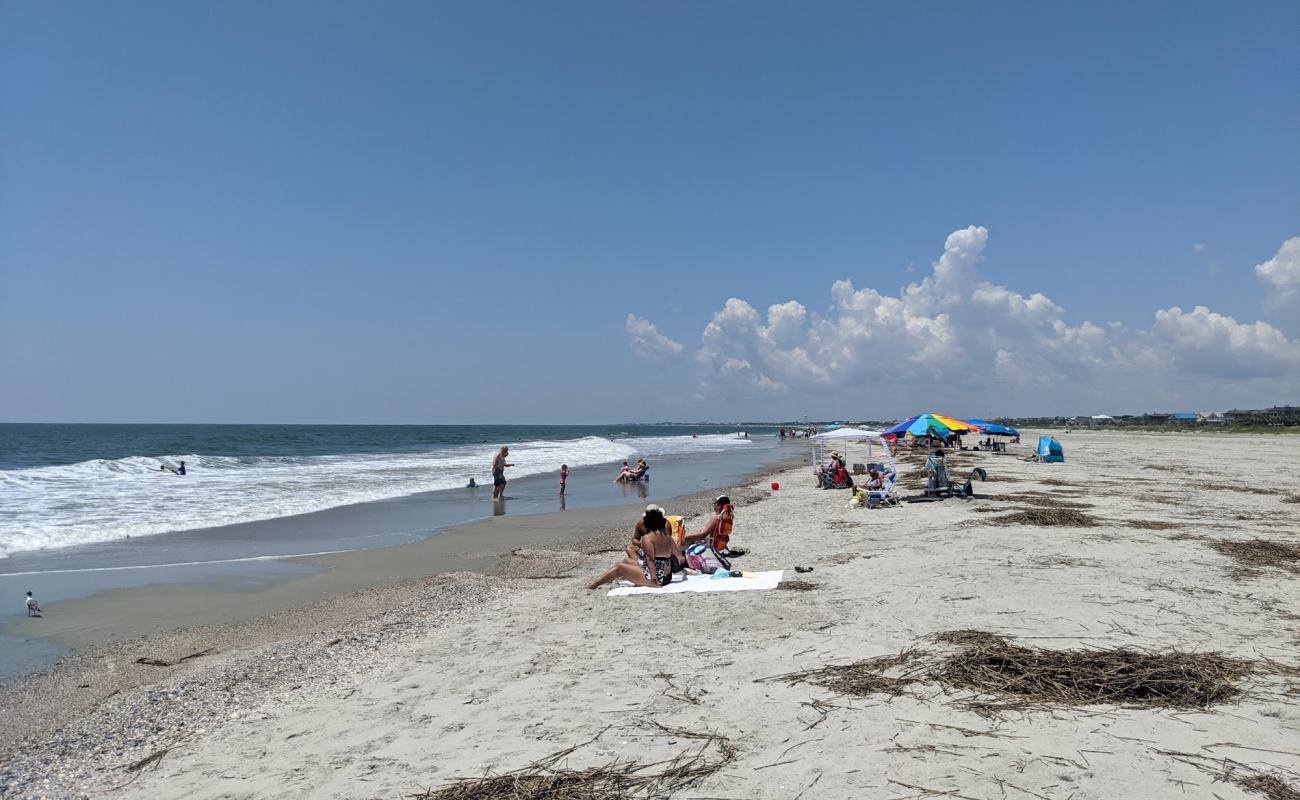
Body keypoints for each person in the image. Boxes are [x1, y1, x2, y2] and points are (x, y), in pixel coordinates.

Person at [589, 507, 678, 590]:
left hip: (658, 578)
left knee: (619, 567)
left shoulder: (650, 538)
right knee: (625, 561)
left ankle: (594, 585)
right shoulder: (662, 534)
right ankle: (612, 577)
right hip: (666, 575)